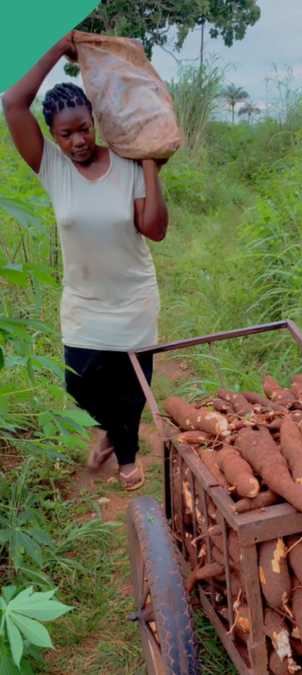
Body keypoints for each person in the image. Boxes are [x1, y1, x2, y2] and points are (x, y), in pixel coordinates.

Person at [2, 34, 169, 490]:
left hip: (133, 296)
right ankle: (107, 431)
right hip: (85, 303)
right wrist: (56, 47)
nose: (77, 140)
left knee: (131, 389)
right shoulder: (51, 169)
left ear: (95, 121)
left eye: (83, 129)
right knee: (80, 386)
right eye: (66, 133)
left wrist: (150, 163)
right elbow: (13, 103)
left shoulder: (128, 164)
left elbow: (154, 229)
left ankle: (127, 456)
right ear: (53, 135)